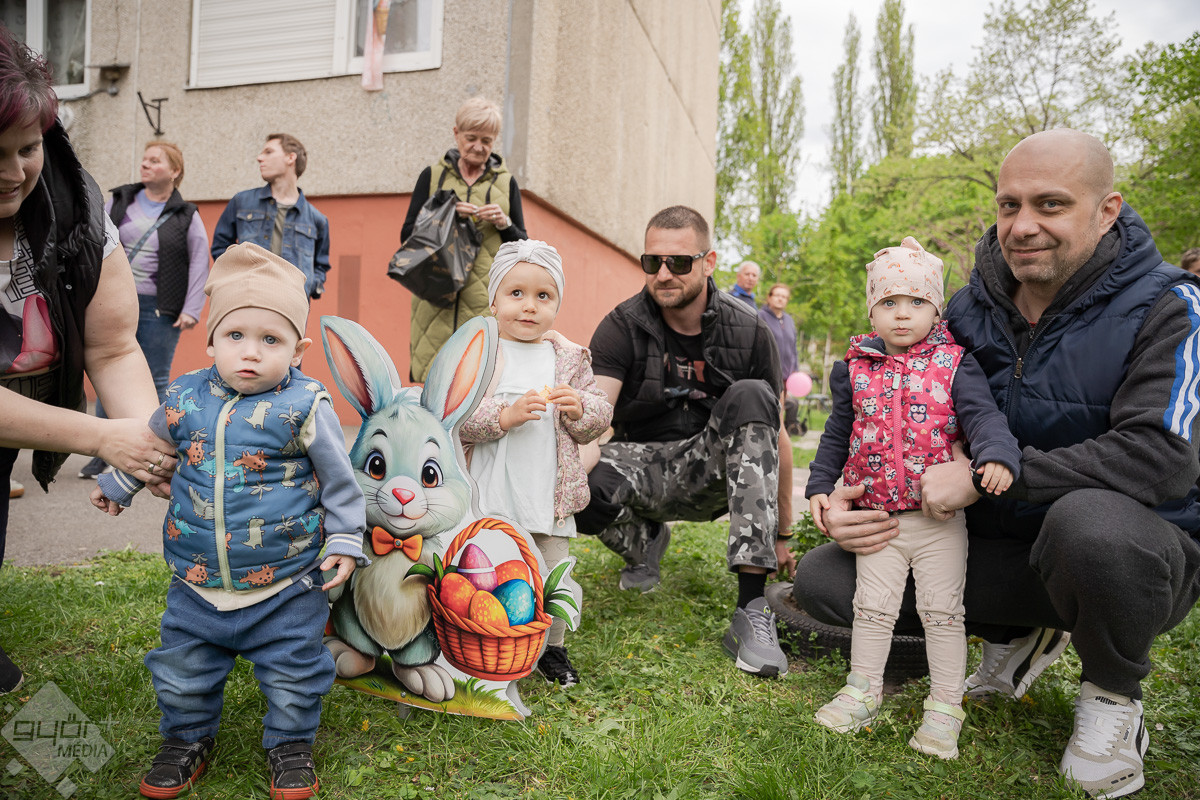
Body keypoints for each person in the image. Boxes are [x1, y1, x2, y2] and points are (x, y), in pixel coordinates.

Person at [794, 129, 1200, 798]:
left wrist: (991, 477)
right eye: (1009, 205)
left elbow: (1162, 458)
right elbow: (900, 414)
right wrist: (845, 498)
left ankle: (1111, 694)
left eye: (1050, 204)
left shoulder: (1169, 304)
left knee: (1091, 528)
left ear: (1107, 211)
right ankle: (1015, 635)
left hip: (1124, 555)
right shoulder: (962, 309)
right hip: (989, 545)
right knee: (827, 579)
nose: (1023, 225)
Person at [90, 243, 367, 800]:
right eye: (236, 335)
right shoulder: (184, 396)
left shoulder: (306, 405)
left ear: (299, 349)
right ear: (211, 340)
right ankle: (185, 738)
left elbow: (340, 479)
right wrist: (120, 483)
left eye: (272, 340)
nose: (251, 353)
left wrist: (344, 537)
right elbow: (155, 446)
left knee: (294, 673)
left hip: (286, 583)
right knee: (182, 671)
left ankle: (290, 744)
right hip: (196, 582)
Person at [0, 24, 172, 694]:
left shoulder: (76, 208)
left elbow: (112, 345)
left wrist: (150, 443)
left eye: (27, 149)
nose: (13, 174)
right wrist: (102, 438)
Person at [806, 237, 1021, 760]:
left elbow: (983, 417)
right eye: (888, 302)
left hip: (937, 519)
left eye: (917, 301)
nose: (902, 314)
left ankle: (945, 706)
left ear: (936, 309)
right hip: (877, 517)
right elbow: (837, 434)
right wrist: (819, 486)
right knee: (871, 609)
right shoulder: (854, 369)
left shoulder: (955, 363)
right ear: (871, 310)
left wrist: (996, 454)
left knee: (942, 612)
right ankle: (862, 691)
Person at [576, 205, 795, 678]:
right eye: (652, 261)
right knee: (575, 478)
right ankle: (644, 546)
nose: (663, 274)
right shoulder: (622, 325)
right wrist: (569, 471)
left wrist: (783, 534)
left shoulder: (750, 329)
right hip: (645, 467)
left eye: (678, 262)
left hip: (714, 466)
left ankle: (751, 609)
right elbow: (595, 416)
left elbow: (774, 434)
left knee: (753, 394)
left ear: (708, 262)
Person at [459, 240, 612, 688]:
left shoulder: (569, 358)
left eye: (543, 296)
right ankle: (485, 642)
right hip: (490, 492)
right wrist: (503, 416)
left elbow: (600, 412)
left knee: (552, 573)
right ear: (493, 301)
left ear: (557, 304)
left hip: (548, 495)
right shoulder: (480, 354)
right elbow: (456, 413)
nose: (529, 306)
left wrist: (580, 408)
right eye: (516, 294)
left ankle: (553, 648)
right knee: (488, 572)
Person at [78, 141, 211, 479]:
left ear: (175, 171)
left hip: (159, 306)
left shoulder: (186, 214)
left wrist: (192, 308)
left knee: (158, 377)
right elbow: (95, 240)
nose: (146, 165)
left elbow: (200, 262)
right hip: (113, 299)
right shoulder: (120, 200)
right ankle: (103, 452)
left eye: (155, 160)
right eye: (144, 159)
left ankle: (157, 449)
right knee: (108, 366)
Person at [403, 97, 528, 383]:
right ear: (456, 133)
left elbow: (524, 246)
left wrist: (504, 223)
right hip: (434, 298)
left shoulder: (506, 183)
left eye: (487, 140)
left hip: (485, 300)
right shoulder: (432, 176)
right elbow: (407, 234)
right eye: (471, 138)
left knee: (479, 384)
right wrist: (444, 214)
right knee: (434, 383)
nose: (479, 147)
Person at [211, 133, 330, 300]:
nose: (259, 158)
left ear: (290, 158)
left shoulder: (317, 220)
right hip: (246, 300)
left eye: (268, 152)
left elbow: (321, 266)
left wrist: (310, 286)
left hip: (292, 305)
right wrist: (236, 280)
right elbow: (220, 247)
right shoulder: (242, 202)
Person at [758, 283, 803, 435]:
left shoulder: (789, 320)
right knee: (770, 407)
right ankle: (767, 435)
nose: (780, 299)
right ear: (769, 297)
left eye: (784, 297)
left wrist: (795, 370)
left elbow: (793, 347)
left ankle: (781, 435)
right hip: (768, 372)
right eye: (777, 295)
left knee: (782, 408)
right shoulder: (760, 316)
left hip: (786, 375)